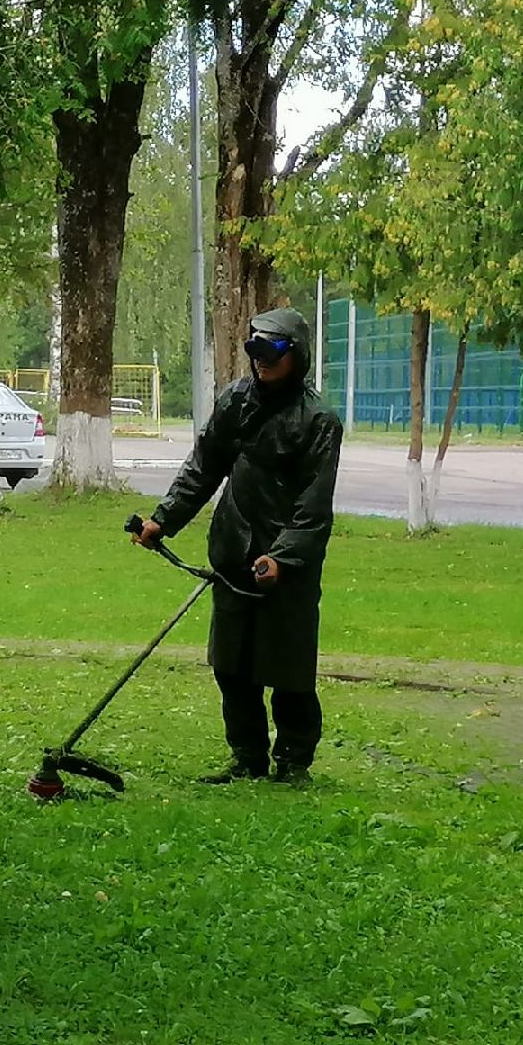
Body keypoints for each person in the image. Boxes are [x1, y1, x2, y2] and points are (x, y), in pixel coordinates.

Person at [137, 307, 342, 786]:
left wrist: (284, 556)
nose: (261, 361)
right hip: (232, 554)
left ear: (298, 355)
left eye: (271, 351)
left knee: (288, 669)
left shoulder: (318, 421)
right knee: (232, 666)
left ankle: (293, 762)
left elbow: (314, 507)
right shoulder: (235, 401)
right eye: (254, 350)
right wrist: (162, 522)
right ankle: (247, 757)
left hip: (286, 568)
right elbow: (203, 468)